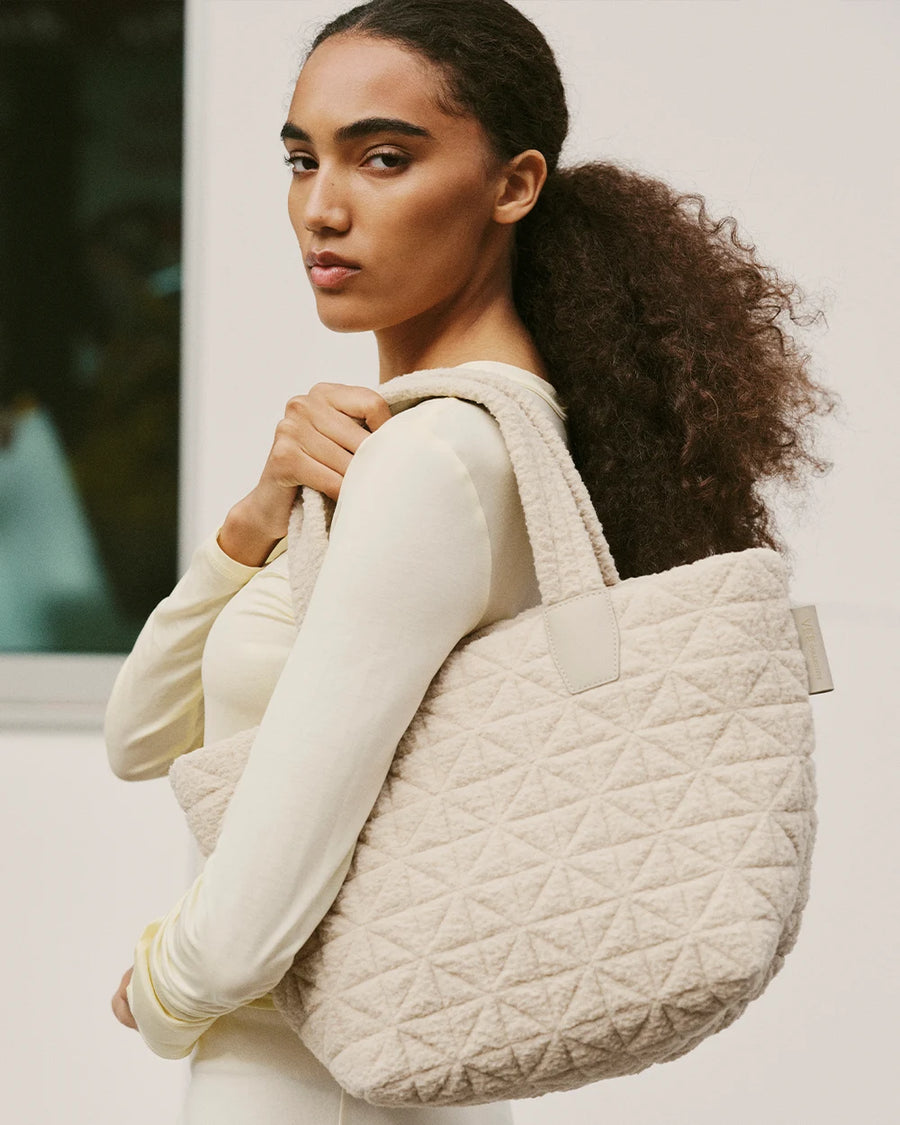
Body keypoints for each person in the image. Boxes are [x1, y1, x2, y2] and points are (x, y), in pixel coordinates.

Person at [105, 1, 838, 1122]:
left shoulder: (436, 461)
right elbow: (142, 737)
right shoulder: (441, 448)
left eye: (384, 157)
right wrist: (255, 522)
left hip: (302, 1091)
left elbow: (260, 900)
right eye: (302, 160)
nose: (322, 207)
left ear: (514, 185)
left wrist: (159, 990)